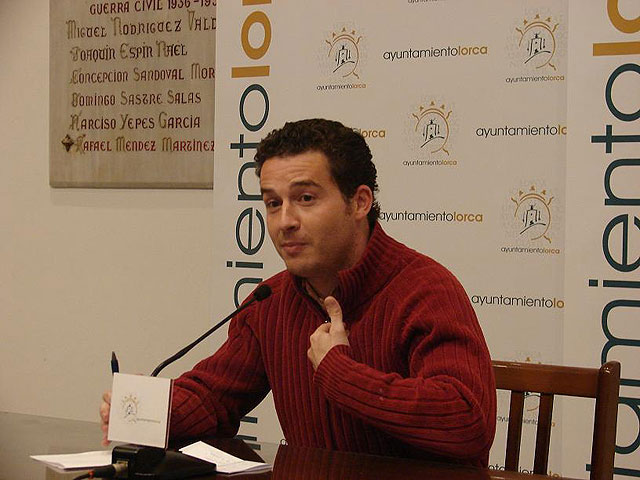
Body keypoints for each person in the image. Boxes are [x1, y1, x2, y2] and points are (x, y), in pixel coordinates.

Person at [101, 118, 496, 466]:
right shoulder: (269, 302)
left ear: (360, 202)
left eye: (305, 199)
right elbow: (215, 397)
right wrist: (150, 408)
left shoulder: (426, 290)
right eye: (273, 203)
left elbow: (468, 423)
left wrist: (340, 373)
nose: (284, 221)